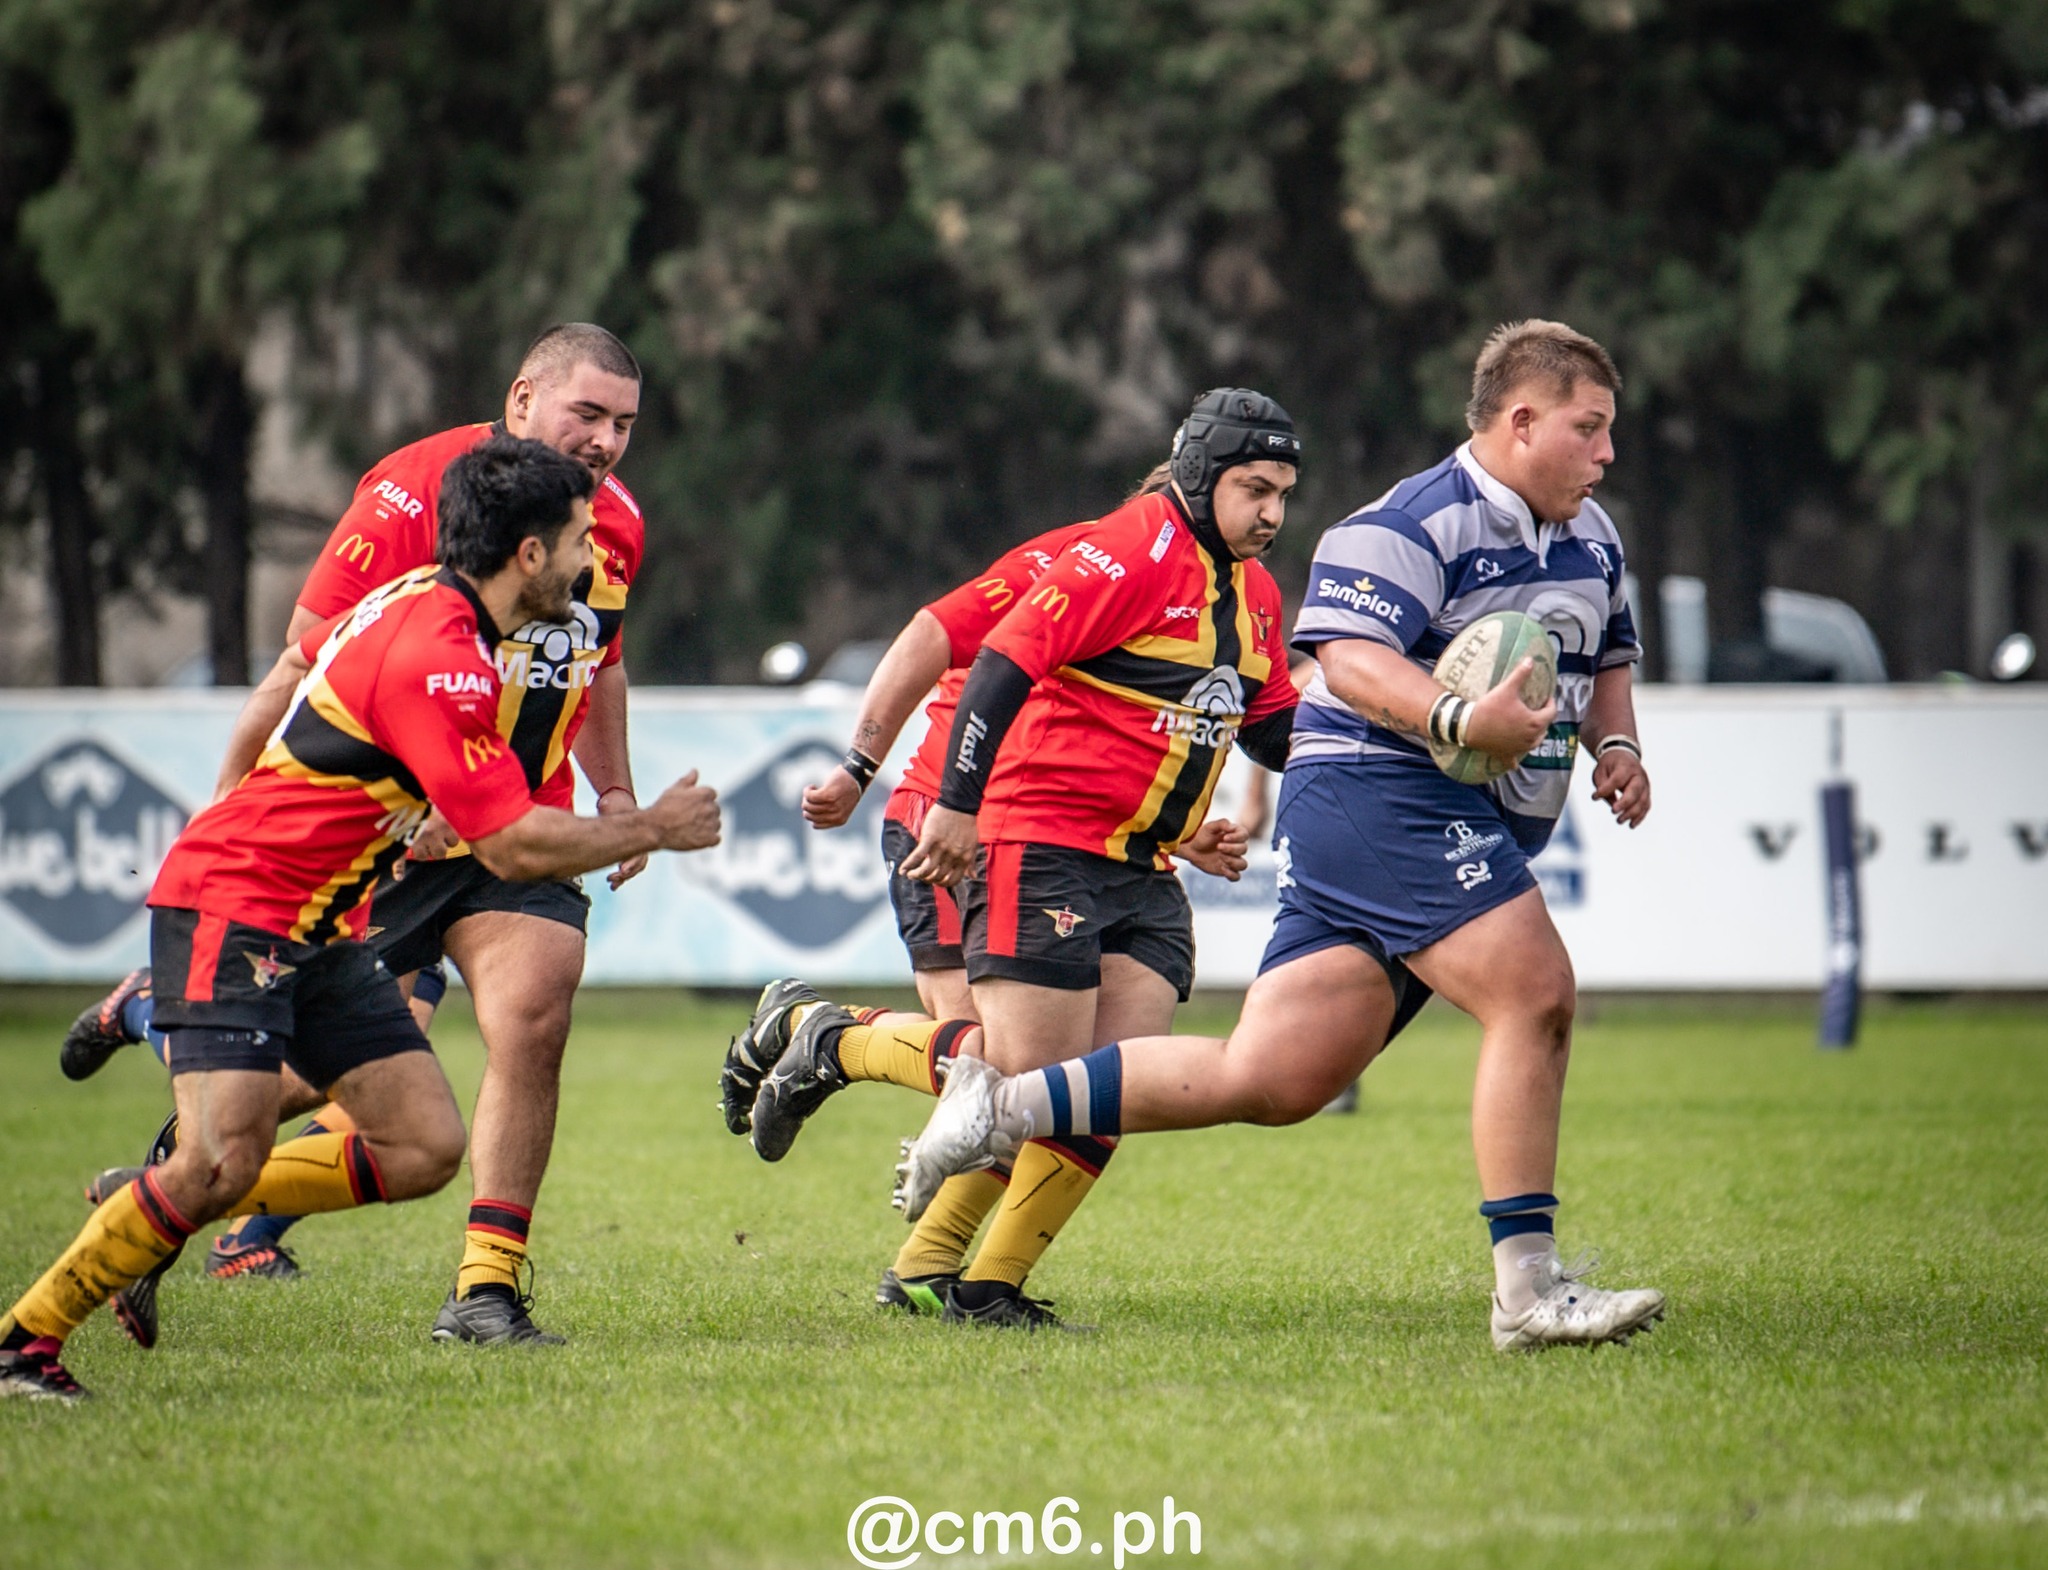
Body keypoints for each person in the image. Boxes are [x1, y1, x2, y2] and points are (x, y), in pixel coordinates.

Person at [896, 322, 1667, 1351]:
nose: (1606, 452)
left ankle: (998, 1107)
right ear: (1521, 421)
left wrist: (1614, 741)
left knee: (1272, 1078)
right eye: (1589, 429)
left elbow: (1602, 652)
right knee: (1534, 992)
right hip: (1375, 792)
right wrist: (1452, 717)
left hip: (1434, 813)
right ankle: (1527, 1288)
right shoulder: (1399, 525)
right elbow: (1345, 661)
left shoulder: (1592, 537)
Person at [0, 437, 721, 1402]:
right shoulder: (443, 653)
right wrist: (652, 828)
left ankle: (155, 1170)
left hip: (321, 926)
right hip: (243, 905)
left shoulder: (441, 608)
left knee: (422, 1145)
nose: (596, 565)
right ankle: (24, 1343)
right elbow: (507, 843)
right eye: (581, 542)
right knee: (219, 1159)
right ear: (531, 555)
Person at [728, 389, 1301, 1328]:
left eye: (1285, 492)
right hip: (995, 825)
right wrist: (873, 771)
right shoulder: (1101, 557)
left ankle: (969, 1283)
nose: (1274, 513)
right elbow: (959, 649)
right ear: (1195, 478)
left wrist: (1394, 733)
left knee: (1100, 1086)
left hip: (1134, 859)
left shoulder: (1250, 593)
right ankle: (827, 1040)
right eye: (1255, 489)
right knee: (1008, 1075)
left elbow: (1240, 724)